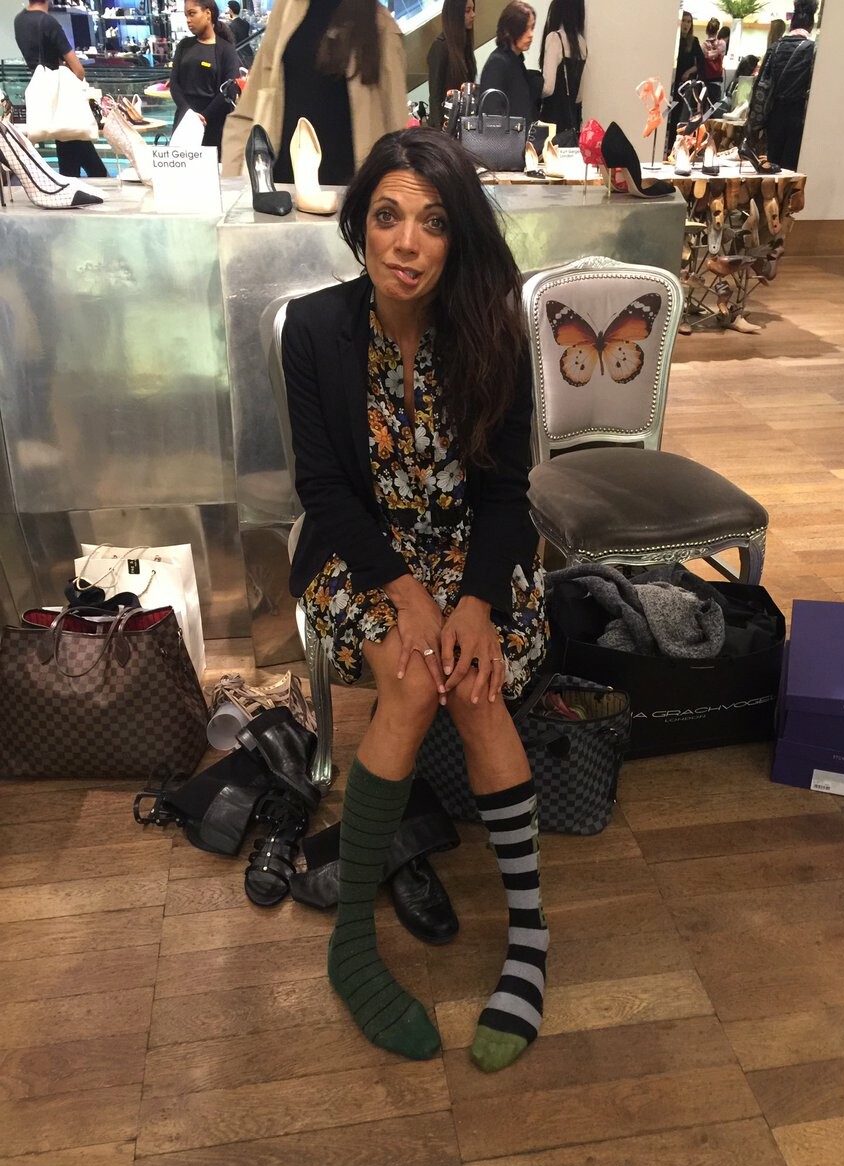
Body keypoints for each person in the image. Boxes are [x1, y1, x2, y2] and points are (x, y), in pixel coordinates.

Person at [281, 126, 549, 1072]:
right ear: (359, 222)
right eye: (387, 216)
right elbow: (323, 490)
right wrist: (404, 592)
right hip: (361, 552)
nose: (406, 243)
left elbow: (508, 494)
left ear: (457, 235)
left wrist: (475, 602)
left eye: (433, 222)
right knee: (410, 677)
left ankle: (531, 938)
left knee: (473, 682)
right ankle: (352, 942)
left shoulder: (493, 329)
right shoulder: (315, 328)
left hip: (476, 552)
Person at [221, 0, 407, 184]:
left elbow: (396, 132)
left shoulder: (379, 24)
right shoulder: (287, 9)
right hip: (281, 185)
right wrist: (234, 180)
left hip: (351, 190)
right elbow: (249, 109)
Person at [13, 0, 108, 177]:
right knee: (73, 164)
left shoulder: (20, 20)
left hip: (44, 92)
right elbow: (78, 71)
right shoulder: (48, 22)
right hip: (63, 98)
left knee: (90, 165)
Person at [750, 0, 818, 171]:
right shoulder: (813, 50)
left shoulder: (775, 47)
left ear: (792, 23)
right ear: (811, 25)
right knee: (791, 168)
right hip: (798, 116)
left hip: (774, 113)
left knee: (772, 165)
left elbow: (760, 84)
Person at [169, 0, 240, 156]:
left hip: (214, 125)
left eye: (192, 14)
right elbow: (174, 83)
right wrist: (188, 113)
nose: (188, 20)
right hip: (184, 122)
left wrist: (204, 116)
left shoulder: (226, 50)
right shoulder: (184, 46)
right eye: (186, 15)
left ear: (208, 14)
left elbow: (229, 89)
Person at [480, 1, 539, 122]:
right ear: (509, 31)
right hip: (504, 133)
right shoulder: (498, 63)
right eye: (525, 29)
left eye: (532, 28)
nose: (531, 35)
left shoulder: (516, 61)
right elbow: (491, 115)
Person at [538, 0, 586, 132]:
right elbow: (579, 96)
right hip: (570, 125)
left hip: (550, 121)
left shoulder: (555, 38)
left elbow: (548, 88)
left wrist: (532, 90)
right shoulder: (582, 43)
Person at [427, 0, 476, 129]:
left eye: (473, 9)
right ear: (455, 14)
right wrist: (440, 134)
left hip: (464, 125)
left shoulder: (464, 46)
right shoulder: (440, 48)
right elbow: (435, 96)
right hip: (447, 127)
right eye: (467, 11)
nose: (473, 14)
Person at [668, 10, 703, 152]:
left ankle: (677, 146)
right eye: (684, 21)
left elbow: (701, 63)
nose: (686, 24)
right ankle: (669, 147)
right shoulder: (673, 39)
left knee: (681, 116)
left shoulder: (693, 41)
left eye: (689, 22)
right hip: (672, 81)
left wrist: (688, 72)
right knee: (670, 115)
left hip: (684, 85)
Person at [701, 16, 725, 102]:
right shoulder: (722, 44)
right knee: (715, 106)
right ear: (717, 31)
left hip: (706, 81)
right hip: (717, 81)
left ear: (707, 31)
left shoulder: (703, 46)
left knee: (703, 106)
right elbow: (720, 55)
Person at [227, 0, 254, 66]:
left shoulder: (231, 26)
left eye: (228, 7)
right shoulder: (246, 23)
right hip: (249, 52)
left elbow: (233, 42)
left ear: (231, 10)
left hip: (240, 56)